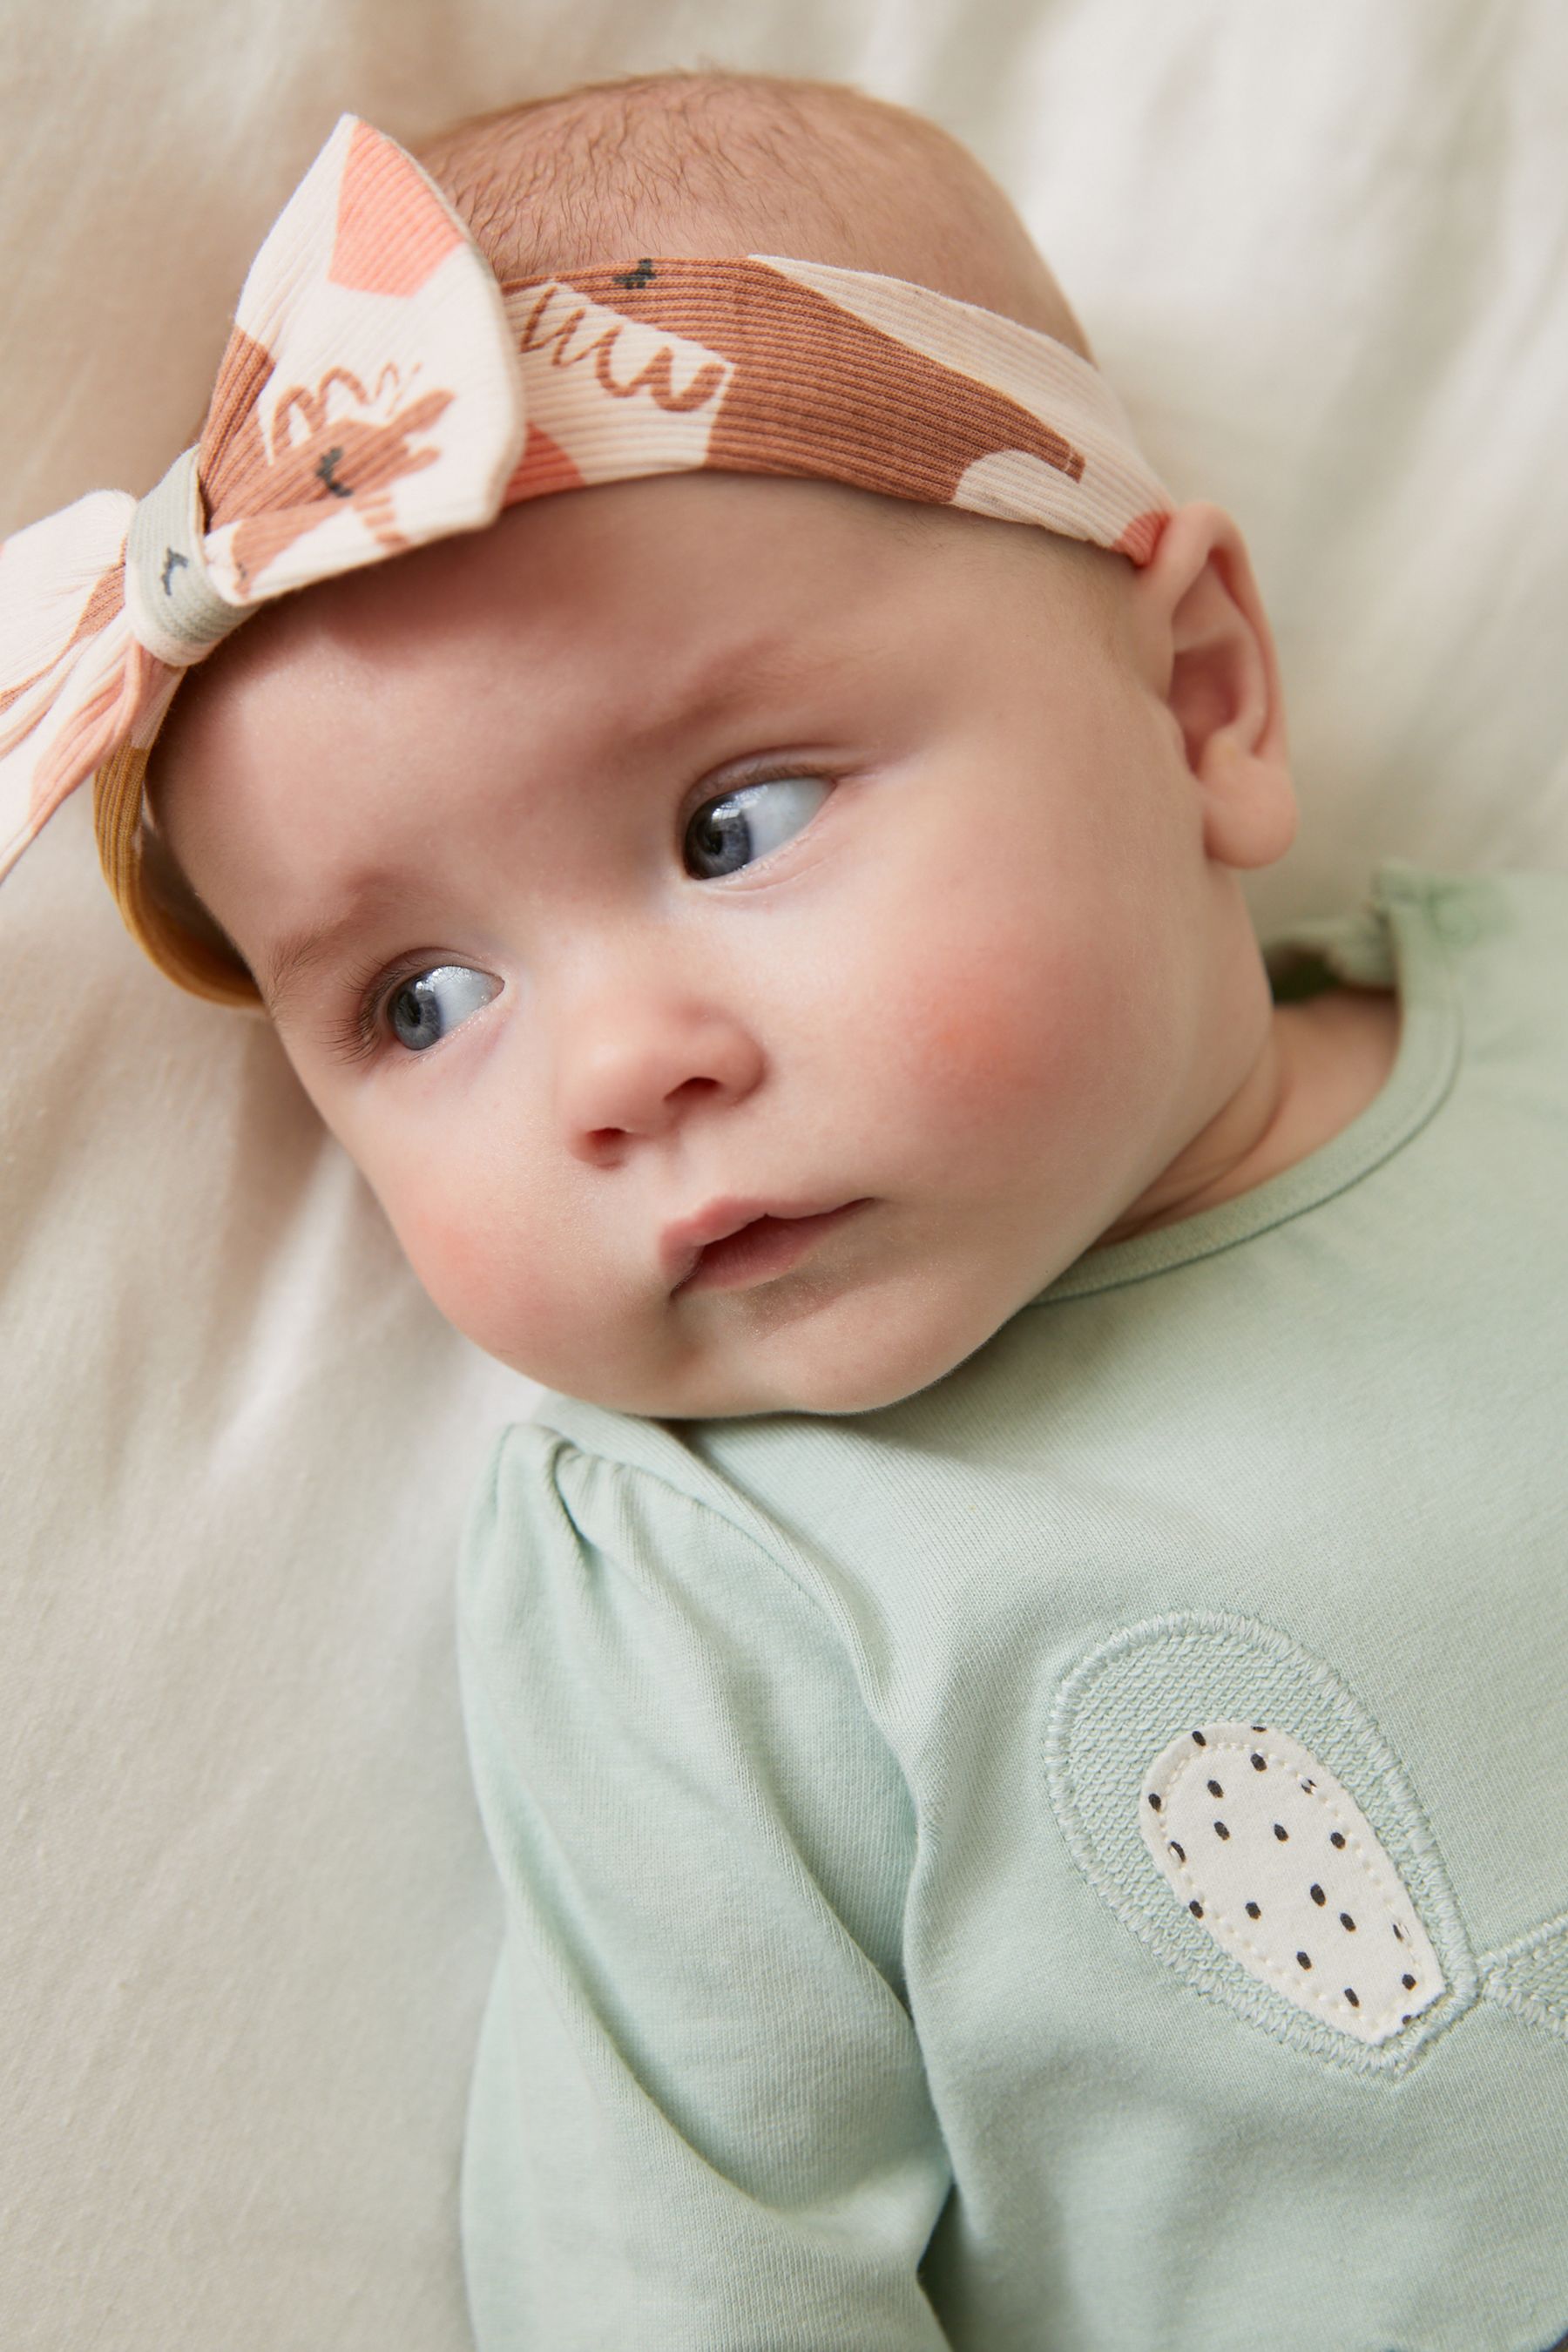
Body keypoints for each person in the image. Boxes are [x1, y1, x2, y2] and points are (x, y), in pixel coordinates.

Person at [4, 68, 1566, 2352]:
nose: (624, 1072)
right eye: (424, 1000)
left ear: (1203, 697)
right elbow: (690, 2275)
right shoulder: (710, 1585)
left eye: (734, 827)